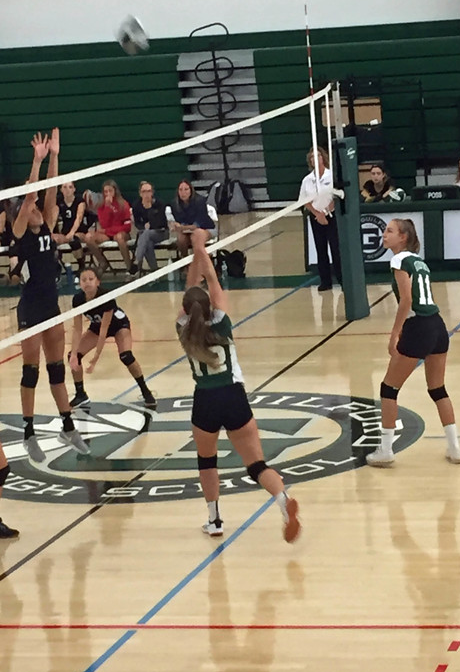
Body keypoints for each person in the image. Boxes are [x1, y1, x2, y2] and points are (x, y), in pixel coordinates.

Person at [176, 246, 301, 542]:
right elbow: (212, 282)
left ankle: (215, 520)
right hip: (233, 396)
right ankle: (283, 500)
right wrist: (202, 249)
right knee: (256, 464)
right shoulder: (222, 322)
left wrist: (194, 253)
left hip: (205, 401)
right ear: (209, 306)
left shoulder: (182, 328)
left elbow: (191, 290)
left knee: (207, 462)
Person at [12, 128, 90, 463]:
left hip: (51, 306)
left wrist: (55, 156)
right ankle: (29, 432)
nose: (37, 207)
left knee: (56, 369)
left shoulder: (46, 223)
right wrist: (36, 161)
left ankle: (68, 425)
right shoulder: (19, 232)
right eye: (31, 206)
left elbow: (49, 189)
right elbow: (32, 193)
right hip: (29, 307)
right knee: (31, 371)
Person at [366, 218, 460, 467]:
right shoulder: (419, 261)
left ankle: (385, 449)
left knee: (389, 389)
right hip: (437, 326)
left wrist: (394, 334)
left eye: (389, 231)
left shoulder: (398, 260)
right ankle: (455, 448)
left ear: (403, 238)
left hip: (418, 326)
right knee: (437, 389)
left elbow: (406, 300)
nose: (384, 235)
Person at [68, 266, 156, 409]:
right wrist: (73, 353)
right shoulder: (78, 299)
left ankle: (145, 391)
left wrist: (95, 359)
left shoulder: (106, 297)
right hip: (96, 326)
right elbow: (77, 329)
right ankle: (81, 395)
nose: (87, 282)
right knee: (74, 356)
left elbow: (104, 331)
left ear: (98, 282)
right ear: (80, 283)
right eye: (84, 280)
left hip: (118, 325)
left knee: (126, 356)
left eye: (91, 279)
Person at [299, 146, 342, 292]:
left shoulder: (331, 176)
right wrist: (317, 214)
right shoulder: (307, 180)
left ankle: (342, 280)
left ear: (323, 157)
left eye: (317, 156)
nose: (315, 159)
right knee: (320, 249)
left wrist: (325, 212)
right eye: (312, 157)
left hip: (332, 215)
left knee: (336, 248)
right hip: (316, 217)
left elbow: (336, 196)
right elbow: (304, 200)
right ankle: (325, 281)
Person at [86, 179, 133, 275]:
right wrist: (107, 207)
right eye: (105, 192)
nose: (108, 194)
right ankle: (102, 262)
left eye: (110, 191)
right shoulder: (101, 205)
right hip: (107, 233)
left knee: (119, 238)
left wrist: (108, 230)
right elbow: (104, 223)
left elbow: (127, 227)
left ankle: (129, 267)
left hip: (121, 232)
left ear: (115, 191)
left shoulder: (123, 204)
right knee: (88, 237)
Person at [168, 179, 217, 263]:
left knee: (196, 236)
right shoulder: (174, 204)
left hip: (205, 228)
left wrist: (182, 227)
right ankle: (185, 261)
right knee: (181, 239)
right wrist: (175, 225)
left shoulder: (200, 201)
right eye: (180, 190)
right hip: (186, 230)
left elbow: (197, 224)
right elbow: (178, 220)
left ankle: (200, 262)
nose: (183, 192)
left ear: (191, 190)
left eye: (186, 189)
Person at [52, 180, 94, 276]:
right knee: (51, 240)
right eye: (65, 187)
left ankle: (81, 265)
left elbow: (78, 219)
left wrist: (71, 233)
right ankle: (55, 265)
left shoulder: (79, 201)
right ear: (61, 189)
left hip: (80, 231)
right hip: (65, 232)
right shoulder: (58, 201)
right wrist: (49, 232)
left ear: (74, 189)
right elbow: (53, 219)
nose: (67, 190)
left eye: (70, 187)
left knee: (73, 240)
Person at [131, 180, 168, 274]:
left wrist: (150, 210)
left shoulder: (159, 204)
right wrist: (143, 226)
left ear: (152, 192)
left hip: (161, 232)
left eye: (148, 191)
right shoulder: (136, 205)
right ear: (140, 193)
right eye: (144, 191)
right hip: (145, 234)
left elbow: (160, 223)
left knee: (146, 234)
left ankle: (136, 261)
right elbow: (137, 223)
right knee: (147, 242)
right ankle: (155, 272)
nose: (146, 194)